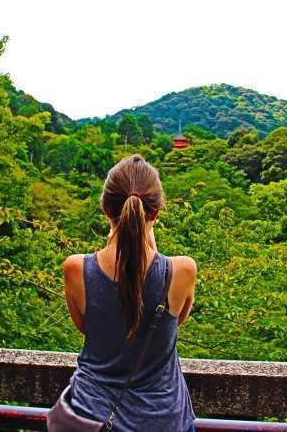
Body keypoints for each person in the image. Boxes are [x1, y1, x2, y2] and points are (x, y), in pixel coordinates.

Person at [62, 154, 197, 431]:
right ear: (156, 213)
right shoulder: (182, 271)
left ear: (105, 209)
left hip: (90, 417)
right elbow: (173, 324)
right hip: (163, 419)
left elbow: (87, 327)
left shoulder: (76, 269)